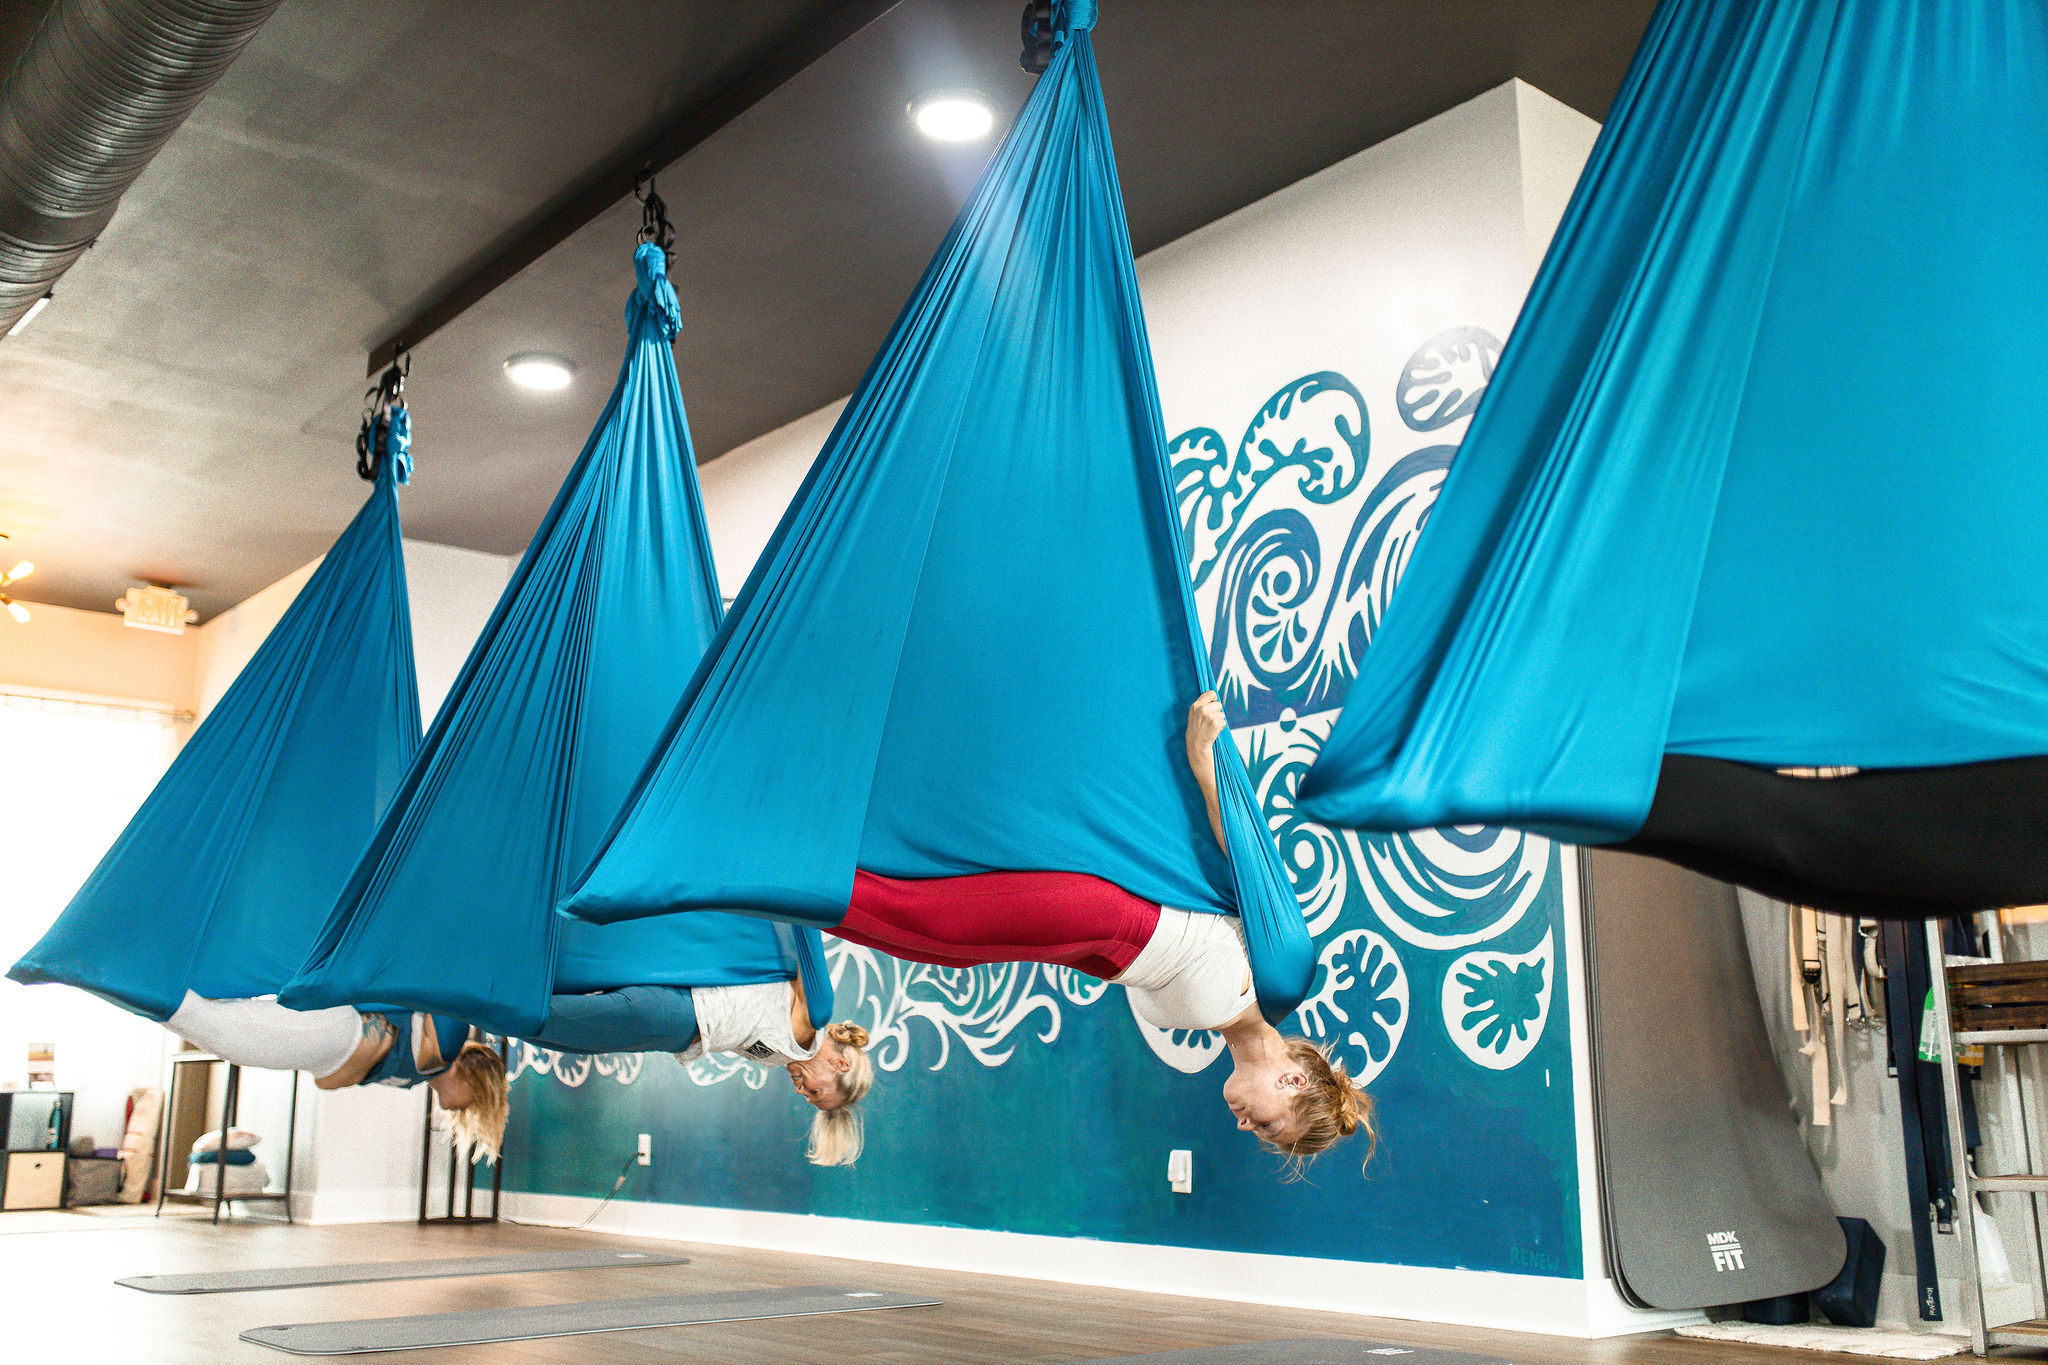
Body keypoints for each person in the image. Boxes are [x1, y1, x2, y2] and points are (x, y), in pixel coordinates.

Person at [826, 694, 1372, 1171]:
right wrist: (1207, 763)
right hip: (1101, 916)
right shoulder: (1282, 978)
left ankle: (794, 882)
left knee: (935, 944)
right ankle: (791, 873)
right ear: (1293, 1084)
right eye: (1271, 1128)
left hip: (1086, 942)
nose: (1246, 1128)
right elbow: (1249, 862)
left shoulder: (1226, 1023)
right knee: (932, 922)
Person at [522, 975, 874, 1167]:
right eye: (816, 1092)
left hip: (673, 1031)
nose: (802, 1093)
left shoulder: (789, 1054)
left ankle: (493, 1005)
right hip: (678, 1014)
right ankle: (487, 999)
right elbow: (803, 947)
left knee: (556, 1034)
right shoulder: (806, 1032)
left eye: (808, 1098)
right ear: (839, 1064)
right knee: (543, 1020)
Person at [163, 993, 507, 1159]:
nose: (460, 1111)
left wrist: (358, 1062)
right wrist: (355, 1064)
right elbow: (434, 990)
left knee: (228, 1040)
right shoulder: (445, 1046)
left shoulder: (416, 1077)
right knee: (228, 1034)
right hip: (343, 1033)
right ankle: (152, 993)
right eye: (471, 1104)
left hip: (335, 1050)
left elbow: (332, 1080)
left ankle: (153, 998)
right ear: (472, 1078)